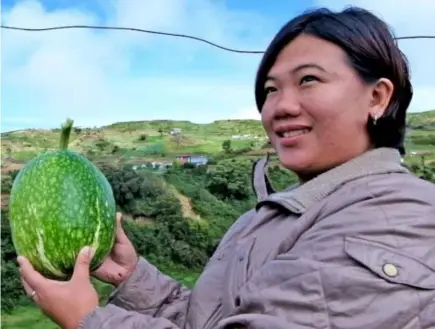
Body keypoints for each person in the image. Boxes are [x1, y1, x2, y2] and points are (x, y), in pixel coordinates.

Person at [18, 6, 435, 329]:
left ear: (378, 97)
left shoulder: (397, 218)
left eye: (308, 79)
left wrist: (89, 319)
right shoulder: (282, 213)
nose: (282, 106)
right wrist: (133, 278)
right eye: (270, 89)